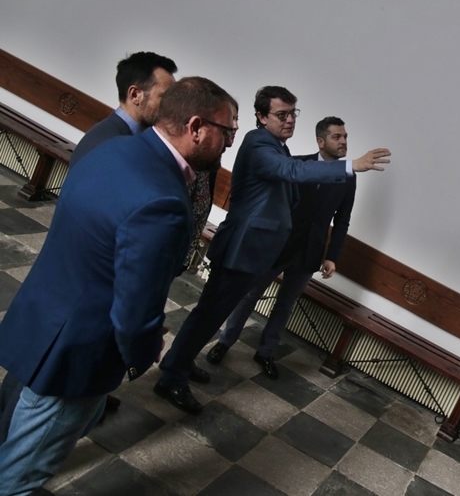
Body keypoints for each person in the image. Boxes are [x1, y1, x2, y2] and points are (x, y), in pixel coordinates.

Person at [0, 77, 238, 495]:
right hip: (77, 352)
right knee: (19, 479)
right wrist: (144, 351)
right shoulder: (164, 200)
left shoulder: (112, 147)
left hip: (41, 316)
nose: (229, 143)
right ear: (196, 127)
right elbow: (135, 308)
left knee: (22, 436)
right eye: (228, 131)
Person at [154, 86, 390, 414]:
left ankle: (180, 362)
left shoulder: (278, 146)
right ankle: (171, 378)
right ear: (262, 117)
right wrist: (350, 166)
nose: (290, 120)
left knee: (210, 315)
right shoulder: (258, 143)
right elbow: (291, 171)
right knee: (208, 314)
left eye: (293, 114)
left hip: (256, 249)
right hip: (242, 247)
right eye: (282, 114)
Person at [208, 116, 358, 378]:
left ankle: (266, 352)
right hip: (278, 245)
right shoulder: (297, 164)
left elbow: (342, 221)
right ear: (320, 141)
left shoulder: (348, 177)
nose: (343, 141)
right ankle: (225, 341)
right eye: (337, 136)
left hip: (310, 252)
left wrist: (332, 256)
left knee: (285, 305)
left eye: (345, 136)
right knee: (249, 295)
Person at [70, 51, 177, 166]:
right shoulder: (110, 144)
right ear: (135, 95)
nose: (171, 105)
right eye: (165, 97)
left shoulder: (117, 136)